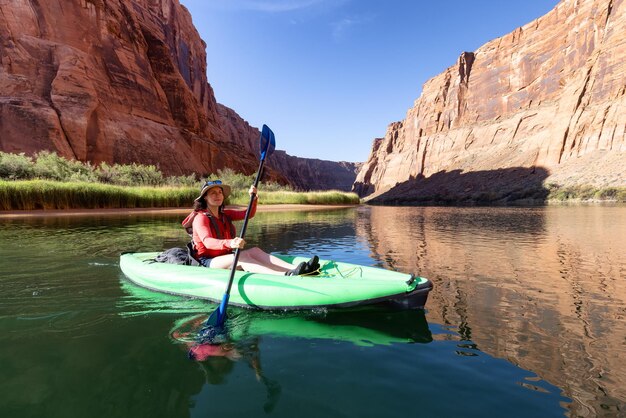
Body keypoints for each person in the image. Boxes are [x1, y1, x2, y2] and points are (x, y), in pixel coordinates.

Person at [182, 179, 319, 276]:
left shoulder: (225, 214)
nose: (218, 195)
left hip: (225, 256)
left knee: (255, 250)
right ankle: (286, 275)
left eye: (220, 192)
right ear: (205, 197)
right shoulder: (201, 217)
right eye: (213, 193)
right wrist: (230, 242)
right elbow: (208, 241)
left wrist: (253, 199)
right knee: (243, 257)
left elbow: (249, 214)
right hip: (206, 261)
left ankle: (299, 268)